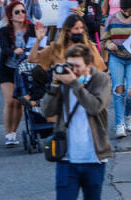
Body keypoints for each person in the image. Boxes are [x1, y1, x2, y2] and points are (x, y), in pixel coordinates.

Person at [41, 44, 112, 200]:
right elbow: (46, 112)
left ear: (89, 66)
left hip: (94, 158)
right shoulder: (63, 83)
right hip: (67, 158)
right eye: (69, 65)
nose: (72, 70)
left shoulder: (101, 80)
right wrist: (54, 86)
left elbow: (95, 107)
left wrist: (74, 83)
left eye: (77, 66)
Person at [101, 0, 131, 139]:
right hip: (116, 58)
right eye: (125, 10)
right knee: (118, 89)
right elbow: (104, 39)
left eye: (130, 11)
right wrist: (110, 44)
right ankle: (119, 123)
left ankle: (129, 115)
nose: (127, 13)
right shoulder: (112, 19)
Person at [0, 0, 34, 147]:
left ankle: (14, 132)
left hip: (24, 69)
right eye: (17, 12)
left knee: (19, 102)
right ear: (11, 15)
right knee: (10, 101)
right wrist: (14, 51)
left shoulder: (31, 29)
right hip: (8, 68)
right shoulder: (4, 31)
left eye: (23, 11)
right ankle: (8, 133)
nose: (21, 14)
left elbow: (38, 43)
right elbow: (4, 48)